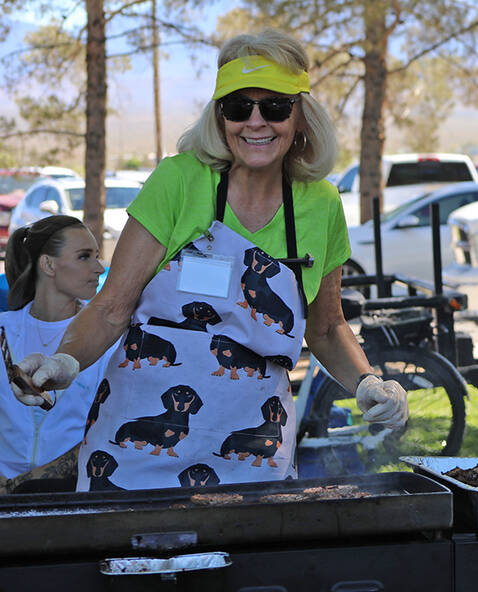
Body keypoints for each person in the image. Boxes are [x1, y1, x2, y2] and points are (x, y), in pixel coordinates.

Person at [14, 29, 408, 491]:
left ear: (301, 116)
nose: (255, 122)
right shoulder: (178, 181)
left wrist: (366, 383)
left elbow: (325, 327)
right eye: (239, 107)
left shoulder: (321, 203)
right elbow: (110, 308)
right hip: (136, 453)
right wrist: (64, 361)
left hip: (252, 452)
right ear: (220, 117)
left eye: (275, 107)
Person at [0, 216, 108, 484]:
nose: (99, 267)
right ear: (48, 264)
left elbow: (104, 431)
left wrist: (24, 484)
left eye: (97, 256)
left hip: (71, 496)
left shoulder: (105, 337)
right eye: (84, 257)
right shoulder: (4, 330)